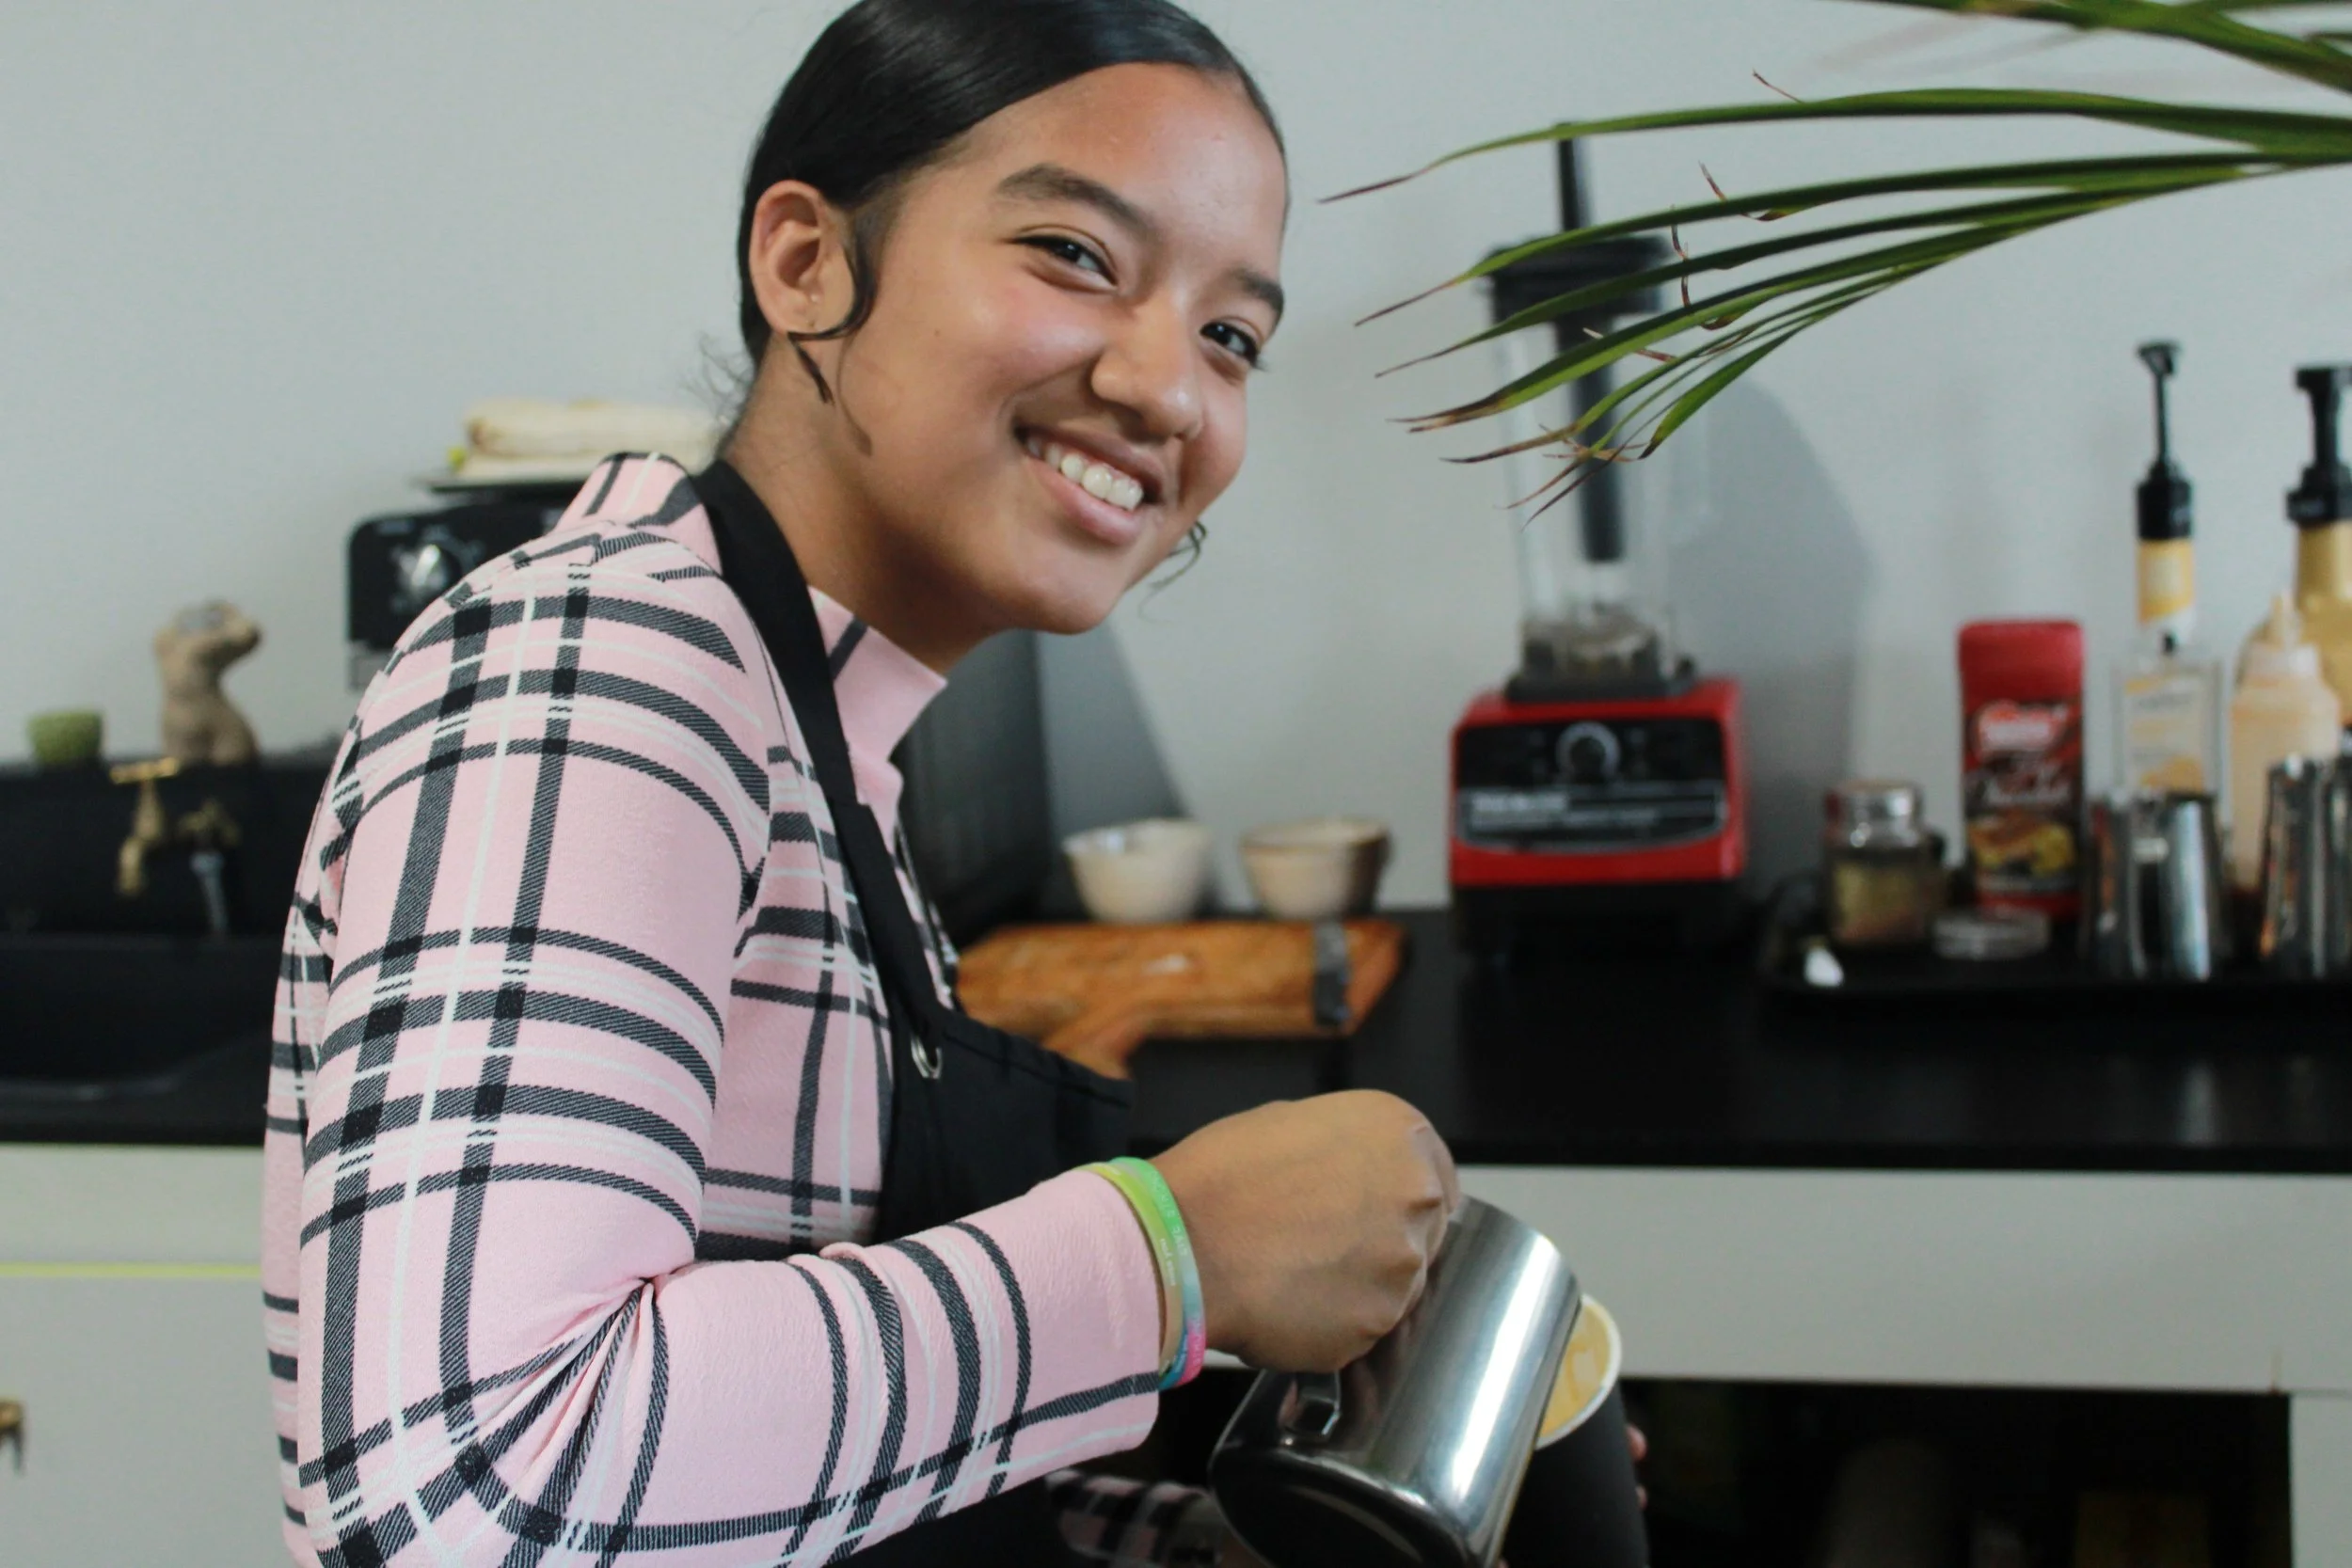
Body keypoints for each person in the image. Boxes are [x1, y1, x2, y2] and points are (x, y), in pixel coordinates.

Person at [259, 2, 1463, 1564]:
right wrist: (1167, 1257)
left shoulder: (823, 751)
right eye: (1078, 256)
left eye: (1233, 335)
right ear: (806, 263)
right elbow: (478, 1489)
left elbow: (807, 1452)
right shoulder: (611, 662)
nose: (1173, 389)